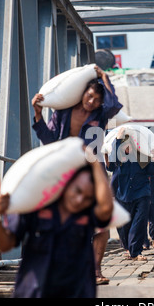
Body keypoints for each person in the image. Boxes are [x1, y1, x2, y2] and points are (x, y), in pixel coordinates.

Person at [31, 65, 122, 285]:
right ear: (83, 92)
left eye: (96, 100)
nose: (91, 102)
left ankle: (96, 272)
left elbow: (113, 104)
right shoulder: (62, 113)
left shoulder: (101, 115)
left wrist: (102, 76)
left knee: (101, 227)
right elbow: (50, 140)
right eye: (89, 96)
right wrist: (38, 114)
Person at [0, 155, 114, 298]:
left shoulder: (86, 212)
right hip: (34, 291)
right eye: (77, 191)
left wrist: (96, 165)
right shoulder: (35, 204)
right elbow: (5, 244)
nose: (80, 200)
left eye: (87, 197)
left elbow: (106, 210)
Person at [106, 127, 154, 261]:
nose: (126, 147)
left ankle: (136, 251)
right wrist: (117, 138)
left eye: (128, 144)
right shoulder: (119, 158)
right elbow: (111, 165)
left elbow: (152, 171)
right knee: (123, 225)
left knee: (139, 222)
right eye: (123, 144)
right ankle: (129, 248)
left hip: (141, 193)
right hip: (122, 194)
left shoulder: (141, 155)